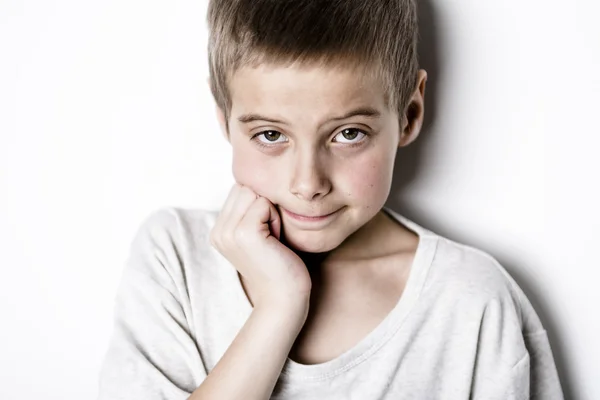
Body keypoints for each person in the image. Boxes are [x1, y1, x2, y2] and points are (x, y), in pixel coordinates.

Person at [97, 0, 564, 399]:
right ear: (225, 121)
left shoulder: (471, 304)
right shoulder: (175, 260)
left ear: (408, 114)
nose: (308, 182)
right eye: (271, 134)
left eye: (348, 133)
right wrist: (280, 307)